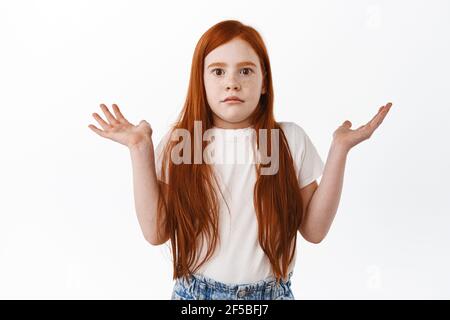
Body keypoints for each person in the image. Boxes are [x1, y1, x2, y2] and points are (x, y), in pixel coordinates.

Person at [88, 20, 392, 300]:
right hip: (196, 296)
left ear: (263, 82)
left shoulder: (288, 139)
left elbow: (314, 231)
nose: (231, 82)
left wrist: (340, 149)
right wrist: (140, 149)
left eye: (245, 71)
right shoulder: (183, 142)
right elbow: (156, 232)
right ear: (201, 81)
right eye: (218, 71)